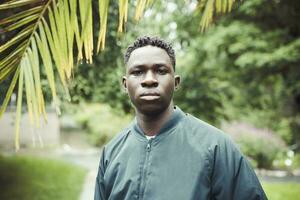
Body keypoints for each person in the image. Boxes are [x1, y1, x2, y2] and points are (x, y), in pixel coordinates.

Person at [94, 36, 268, 200]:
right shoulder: (111, 152)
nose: (149, 80)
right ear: (125, 84)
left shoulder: (216, 147)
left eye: (160, 71)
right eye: (138, 72)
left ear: (176, 82)